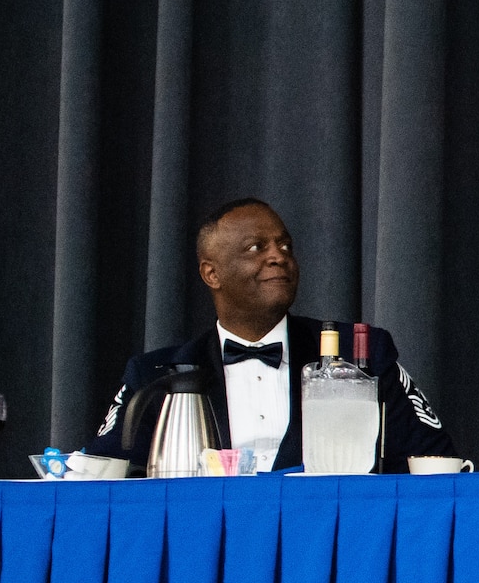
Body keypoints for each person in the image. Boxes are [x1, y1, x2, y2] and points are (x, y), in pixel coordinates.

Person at [86, 199, 456, 472]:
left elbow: (434, 460)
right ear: (211, 274)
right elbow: (103, 475)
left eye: (285, 246)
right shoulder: (156, 374)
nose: (278, 256)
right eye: (255, 248)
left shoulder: (360, 351)